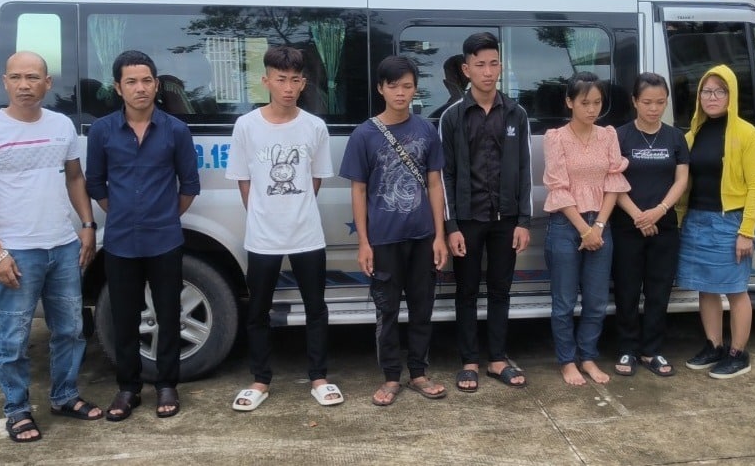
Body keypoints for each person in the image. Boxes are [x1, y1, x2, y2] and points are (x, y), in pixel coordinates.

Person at [0, 51, 103, 443]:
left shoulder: (61, 125)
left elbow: (75, 178)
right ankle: (18, 410)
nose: (24, 85)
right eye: (16, 77)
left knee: (71, 329)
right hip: (16, 251)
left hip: (62, 246)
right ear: (5, 82)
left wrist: (87, 225)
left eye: (32, 77)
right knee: (13, 337)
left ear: (47, 83)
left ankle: (65, 396)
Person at [85, 50, 200, 420]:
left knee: (169, 314)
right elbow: (95, 183)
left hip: (165, 240)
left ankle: (167, 385)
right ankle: (128, 388)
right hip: (121, 242)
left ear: (156, 84)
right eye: (131, 82)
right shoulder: (102, 131)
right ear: (118, 88)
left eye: (147, 80)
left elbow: (189, 185)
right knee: (124, 318)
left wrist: (163, 215)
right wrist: (123, 214)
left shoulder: (175, 130)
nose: (140, 88)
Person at [227, 45, 342, 411]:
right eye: (281, 79)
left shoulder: (314, 127)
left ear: (304, 82)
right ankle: (260, 379)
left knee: (315, 307)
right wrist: (264, 214)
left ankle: (319, 377)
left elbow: (315, 178)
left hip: (307, 233)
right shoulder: (246, 126)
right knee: (258, 310)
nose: (288, 88)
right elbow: (244, 180)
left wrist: (296, 209)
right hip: (262, 236)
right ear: (266, 81)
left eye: (295, 80)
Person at [341, 56, 449, 406]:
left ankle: (418, 373)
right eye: (393, 86)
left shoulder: (426, 130)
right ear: (380, 88)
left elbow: (435, 184)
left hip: (422, 237)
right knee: (386, 311)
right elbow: (358, 190)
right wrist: (364, 242)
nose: (400, 93)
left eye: (407, 86)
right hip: (384, 239)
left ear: (415, 89)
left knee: (422, 309)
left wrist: (440, 236)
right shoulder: (364, 134)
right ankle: (390, 377)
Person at [439, 32, 532, 391]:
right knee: (466, 292)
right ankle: (469, 362)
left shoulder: (516, 114)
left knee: (500, 290)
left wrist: (523, 221)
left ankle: (497, 359)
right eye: (480, 65)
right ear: (467, 69)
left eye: (494, 63)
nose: (488, 71)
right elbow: (445, 175)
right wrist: (451, 225)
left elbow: (524, 168)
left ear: (501, 67)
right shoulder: (452, 116)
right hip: (467, 220)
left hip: (505, 220)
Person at [678, 65, 755, 379]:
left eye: (720, 91)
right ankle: (713, 346)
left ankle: (738, 353)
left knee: (736, 290)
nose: (712, 97)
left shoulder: (748, 135)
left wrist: (746, 231)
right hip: (697, 220)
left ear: (731, 95)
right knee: (706, 289)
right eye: (706, 91)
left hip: (730, 223)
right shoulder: (693, 134)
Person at [541, 71, 630, 385]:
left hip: (601, 223)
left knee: (596, 300)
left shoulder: (608, 135)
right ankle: (567, 361)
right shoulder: (556, 138)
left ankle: (588, 357)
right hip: (566, 225)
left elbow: (614, 182)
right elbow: (558, 187)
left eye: (597, 102)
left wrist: (599, 226)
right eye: (585, 103)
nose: (592, 109)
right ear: (570, 102)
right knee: (564, 301)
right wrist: (584, 229)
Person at [611, 73, 690, 378]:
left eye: (660, 102)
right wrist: (638, 216)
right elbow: (613, 181)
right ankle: (627, 348)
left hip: (664, 225)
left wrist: (658, 211)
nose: (654, 108)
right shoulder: (620, 136)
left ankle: (652, 349)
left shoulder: (675, 137)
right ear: (634, 101)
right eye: (647, 102)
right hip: (627, 224)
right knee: (627, 289)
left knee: (659, 289)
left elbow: (681, 179)